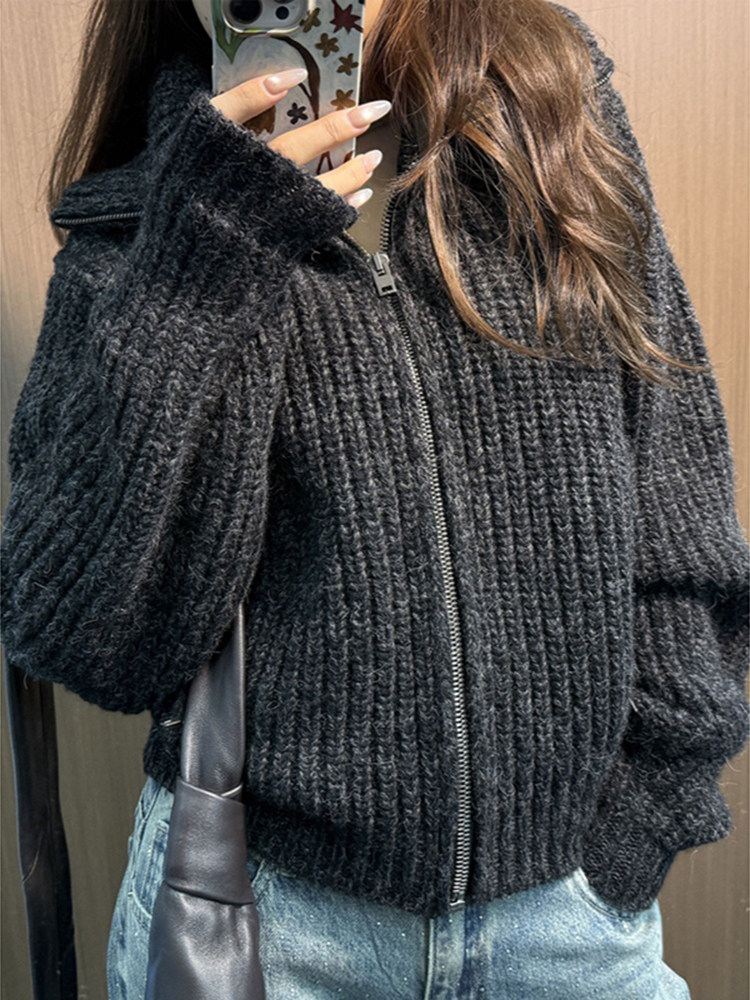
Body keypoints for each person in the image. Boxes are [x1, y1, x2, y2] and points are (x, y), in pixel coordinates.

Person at [1, 0, 748, 996]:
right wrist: (205, 253)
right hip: (266, 925)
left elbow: (677, 493)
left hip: (571, 924)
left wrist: (641, 819)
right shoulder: (141, 218)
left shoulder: (553, 109)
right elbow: (83, 636)